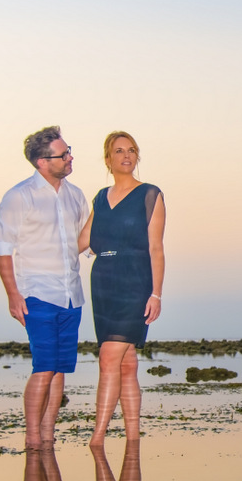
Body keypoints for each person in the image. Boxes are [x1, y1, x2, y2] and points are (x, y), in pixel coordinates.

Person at [0, 126, 91, 449]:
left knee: (61, 368)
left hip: (71, 294)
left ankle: (48, 432)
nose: (69, 157)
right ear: (41, 162)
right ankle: (32, 435)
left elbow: (77, 244)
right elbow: (2, 246)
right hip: (37, 294)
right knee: (44, 366)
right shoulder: (20, 196)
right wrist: (12, 295)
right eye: (62, 154)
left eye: (68, 150)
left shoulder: (76, 195)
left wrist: (102, 213)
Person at [77, 131, 165, 444]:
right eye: (119, 151)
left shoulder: (150, 195)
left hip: (135, 281)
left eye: (131, 150)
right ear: (108, 159)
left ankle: (97, 438)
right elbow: (83, 240)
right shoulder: (101, 197)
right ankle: (132, 438)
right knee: (127, 364)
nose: (126, 155)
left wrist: (156, 293)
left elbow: (156, 248)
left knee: (108, 358)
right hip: (103, 283)